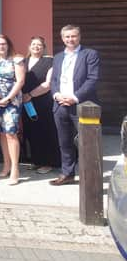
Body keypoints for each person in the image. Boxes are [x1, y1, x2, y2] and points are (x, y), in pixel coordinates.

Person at [49, 25, 100, 186]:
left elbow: (92, 79)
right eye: (67, 37)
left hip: (81, 105)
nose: (70, 39)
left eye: (74, 36)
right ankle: (67, 174)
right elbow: (54, 80)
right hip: (60, 105)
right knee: (64, 142)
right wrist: (56, 94)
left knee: (87, 143)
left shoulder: (90, 54)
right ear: (62, 38)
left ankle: (90, 178)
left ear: (79, 36)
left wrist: (74, 97)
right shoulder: (57, 57)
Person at [0, 34, 26, 186]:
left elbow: (20, 81)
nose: (1, 46)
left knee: (11, 133)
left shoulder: (17, 59)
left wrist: (8, 98)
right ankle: (6, 165)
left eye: (3, 44)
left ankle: (15, 169)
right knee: (2, 134)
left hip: (12, 101)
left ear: (8, 44)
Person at [21, 36, 61, 174]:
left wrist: (30, 95)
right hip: (25, 103)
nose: (36, 47)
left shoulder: (50, 61)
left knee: (45, 131)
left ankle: (48, 162)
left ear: (44, 47)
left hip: (42, 101)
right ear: (29, 46)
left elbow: (48, 84)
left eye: (39, 45)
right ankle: (37, 161)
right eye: (33, 44)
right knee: (31, 132)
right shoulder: (23, 61)